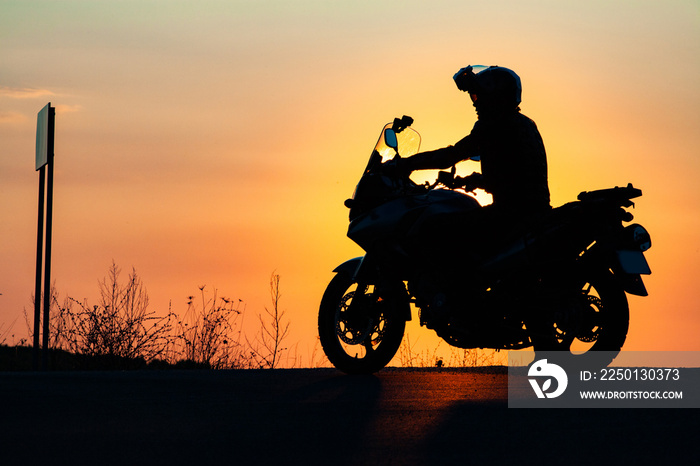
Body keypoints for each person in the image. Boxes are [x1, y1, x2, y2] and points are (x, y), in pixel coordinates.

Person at [395, 65, 551, 225]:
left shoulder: (495, 125)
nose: (475, 103)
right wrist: (476, 180)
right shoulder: (523, 123)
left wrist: (405, 164)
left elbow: (448, 157)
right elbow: (517, 175)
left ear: (495, 97)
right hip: (534, 212)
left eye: (478, 96)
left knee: (435, 225)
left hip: (512, 215)